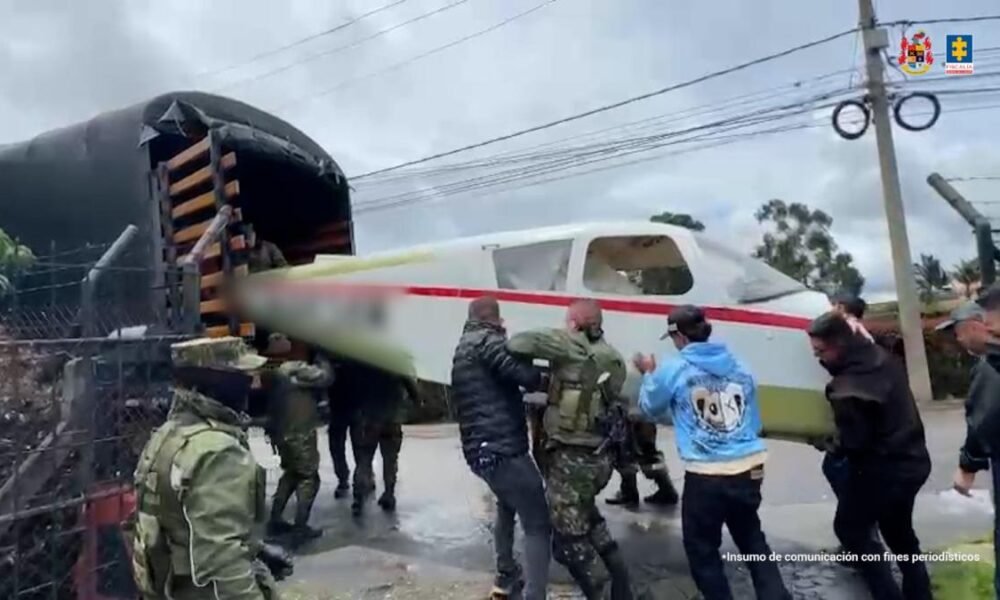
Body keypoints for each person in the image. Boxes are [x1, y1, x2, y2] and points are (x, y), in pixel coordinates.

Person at [634, 305, 790, 600]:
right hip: (750, 467)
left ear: (678, 336)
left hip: (707, 475)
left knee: (702, 549)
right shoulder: (740, 365)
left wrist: (649, 375)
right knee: (752, 538)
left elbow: (650, 408)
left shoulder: (674, 367)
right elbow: (753, 420)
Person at [130, 336, 293, 599]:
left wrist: (257, 548)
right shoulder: (217, 451)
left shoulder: (169, 434)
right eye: (241, 375)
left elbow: (188, 521)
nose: (251, 383)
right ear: (214, 383)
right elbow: (223, 561)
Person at [508, 298, 634, 600]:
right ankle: (623, 587)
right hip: (599, 457)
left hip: (571, 458)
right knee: (590, 521)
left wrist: (563, 335)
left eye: (569, 320)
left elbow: (517, 343)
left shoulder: (568, 346)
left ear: (576, 323)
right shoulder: (613, 356)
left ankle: (602, 594)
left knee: (568, 541)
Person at [807, 311, 932, 600]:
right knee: (900, 533)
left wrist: (825, 443)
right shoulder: (880, 357)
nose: (818, 358)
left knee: (851, 529)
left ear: (840, 343)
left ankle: (886, 593)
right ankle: (921, 594)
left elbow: (854, 444)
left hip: (882, 472)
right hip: (913, 462)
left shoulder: (848, 391)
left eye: (821, 351)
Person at [451, 295, 551, 600]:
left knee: (507, 506)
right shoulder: (489, 343)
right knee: (538, 523)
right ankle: (535, 594)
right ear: (496, 319)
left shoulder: (464, 345)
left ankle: (506, 577)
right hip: (503, 449)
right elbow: (529, 378)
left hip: (479, 450)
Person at [942, 292, 1000, 597]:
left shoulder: (990, 365)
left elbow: (984, 420)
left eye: (958, 331)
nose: (958, 340)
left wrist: (968, 466)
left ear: (978, 324)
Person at [265, 334, 335, 546]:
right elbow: (326, 377)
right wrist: (323, 356)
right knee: (309, 478)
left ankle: (275, 520)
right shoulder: (294, 369)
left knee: (291, 474)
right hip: (299, 432)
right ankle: (300, 526)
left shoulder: (273, 370)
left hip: (282, 432)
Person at [334, 359, 419, 516]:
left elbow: (353, 388)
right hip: (392, 418)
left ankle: (358, 498)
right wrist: (413, 404)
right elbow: (413, 389)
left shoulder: (363, 361)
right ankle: (389, 494)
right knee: (390, 460)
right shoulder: (397, 360)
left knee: (364, 459)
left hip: (369, 419)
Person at [605, 412, 679, 508]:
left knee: (625, 452)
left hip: (628, 411)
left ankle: (629, 493)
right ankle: (667, 489)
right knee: (649, 450)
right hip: (645, 411)